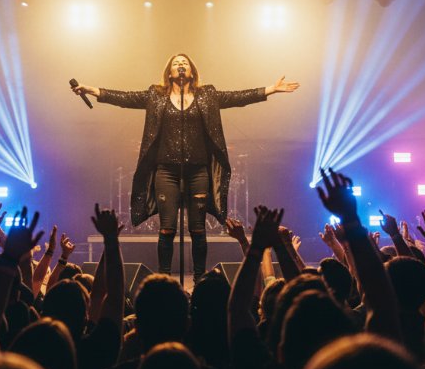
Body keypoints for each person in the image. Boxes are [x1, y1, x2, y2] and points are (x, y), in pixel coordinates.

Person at [72, 53, 299, 280]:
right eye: (175, 63)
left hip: (198, 171)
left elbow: (237, 97)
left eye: (184, 63)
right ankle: (164, 279)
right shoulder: (156, 95)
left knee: (198, 228)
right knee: (167, 228)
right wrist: (91, 89)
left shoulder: (207, 95)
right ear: (169, 72)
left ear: (191, 71)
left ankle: (200, 279)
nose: (180, 65)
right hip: (166, 171)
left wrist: (270, 89)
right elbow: (124, 98)